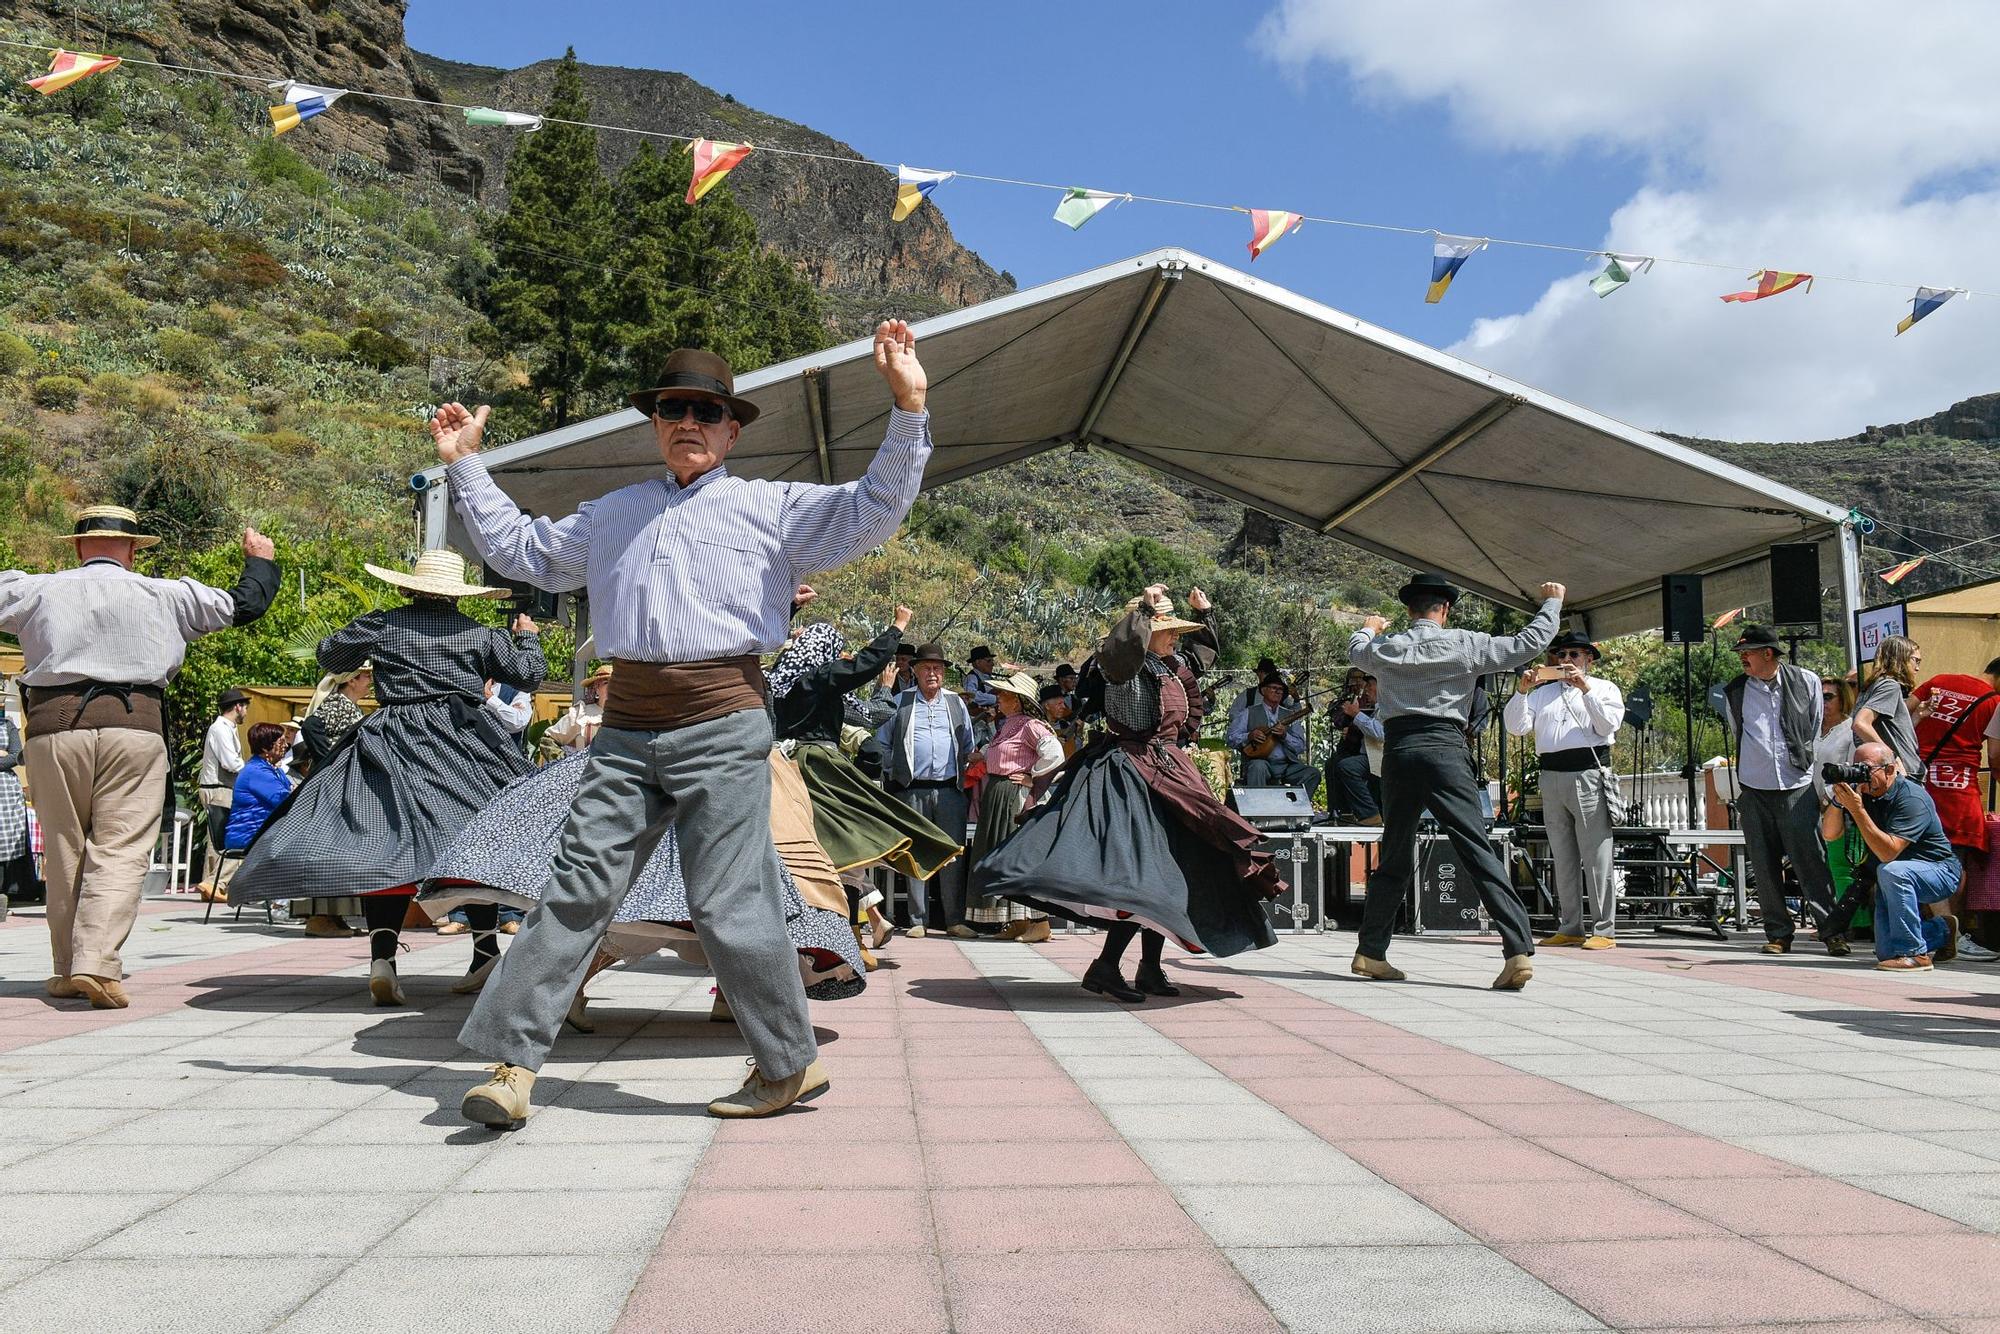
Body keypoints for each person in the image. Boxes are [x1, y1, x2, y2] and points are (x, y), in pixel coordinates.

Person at [436, 326, 932, 1125]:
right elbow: (523, 551)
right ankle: (513, 1067)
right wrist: (465, 463)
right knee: (574, 891)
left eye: (706, 410)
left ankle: (787, 1067)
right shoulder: (612, 515)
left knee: (729, 899)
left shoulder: (771, 507)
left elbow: (872, 507)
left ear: (733, 429)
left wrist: (908, 408)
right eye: (674, 409)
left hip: (725, 717)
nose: (689, 422)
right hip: (627, 727)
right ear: (656, 422)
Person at [225, 551, 544, 1005]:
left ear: (406, 588)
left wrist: (370, 628)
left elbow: (329, 654)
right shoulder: (480, 634)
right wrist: (527, 638)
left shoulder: (385, 625)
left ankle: (383, 960)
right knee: (477, 837)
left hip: (391, 737)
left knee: (381, 840)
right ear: (458, 596)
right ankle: (484, 950)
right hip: (465, 741)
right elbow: (530, 675)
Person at [0, 506, 278, 1007]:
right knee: (121, 848)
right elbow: (246, 604)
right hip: (135, 729)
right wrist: (260, 561)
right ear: (132, 550)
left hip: (52, 730)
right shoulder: (168, 594)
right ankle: (97, 964)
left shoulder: (34, 588)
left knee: (64, 853)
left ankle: (66, 970)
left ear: (78, 547)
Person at [972, 587, 1285, 1002]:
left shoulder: (1171, 666)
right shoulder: (1125, 673)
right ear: (1142, 633)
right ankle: (1106, 966)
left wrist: (1204, 613)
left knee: (1169, 873)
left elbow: (1202, 659)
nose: (1175, 637)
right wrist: (1142, 611)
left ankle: (1149, 969)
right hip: (1130, 776)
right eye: (1167, 629)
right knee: (1140, 878)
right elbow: (1129, 687)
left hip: (1169, 772)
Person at [1349, 573, 1561, 990]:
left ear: (1409, 610)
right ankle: (1516, 950)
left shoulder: (1387, 647)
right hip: (1445, 749)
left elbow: (1356, 650)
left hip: (1399, 751)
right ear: (1444, 609)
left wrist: (1370, 627)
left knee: (1394, 853)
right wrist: (1551, 603)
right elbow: (1526, 645)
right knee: (1474, 847)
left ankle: (1371, 951)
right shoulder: (1466, 642)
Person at [771, 609, 963, 946]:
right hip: (818, 768)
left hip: (782, 771)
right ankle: (848, 935)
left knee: (813, 852)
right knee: (852, 840)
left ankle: (843, 935)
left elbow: (868, 713)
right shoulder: (818, 680)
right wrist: (897, 627)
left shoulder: (782, 683)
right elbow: (866, 669)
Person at [1723, 623, 1841, 955]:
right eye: (1740, 653)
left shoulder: (1806, 680)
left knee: (1812, 861)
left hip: (1796, 784)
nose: (1743, 658)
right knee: (1763, 864)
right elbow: (1739, 730)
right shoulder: (1736, 690)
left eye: (1748, 652)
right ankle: (1778, 933)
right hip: (1755, 787)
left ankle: (1831, 931)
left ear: (1769, 653)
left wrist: (1801, 762)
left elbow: (1815, 723)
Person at [1505, 631, 1625, 948]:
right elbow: (1517, 728)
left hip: (1587, 771)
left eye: (1574, 654)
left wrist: (1584, 688)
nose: (1567, 660)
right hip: (1551, 774)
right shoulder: (1542, 694)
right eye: (1562, 655)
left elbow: (1607, 726)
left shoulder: (1604, 688)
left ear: (1588, 659)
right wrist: (1522, 692)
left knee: (1596, 855)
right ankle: (1571, 925)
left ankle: (1604, 929)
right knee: (1563, 855)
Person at [1822, 742, 1962, 971]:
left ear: (1889, 770)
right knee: (1886, 952)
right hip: (1893, 877)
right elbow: (1829, 834)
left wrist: (1857, 811)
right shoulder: (1863, 793)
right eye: (1856, 767)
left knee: (1891, 870)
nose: (1861, 774)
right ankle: (1943, 930)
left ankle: (1916, 954)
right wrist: (1839, 801)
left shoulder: (1912, 798)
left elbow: (1888, 852)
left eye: (1866, 768)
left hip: (1939, 871)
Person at [878, 641, 977, 937]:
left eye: (937, 668)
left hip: (949, 790)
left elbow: (968, 745)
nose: (932, 673)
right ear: (916, 672)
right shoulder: (900, 702)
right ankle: (917, 921)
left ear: (943, 673)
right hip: (911, 790)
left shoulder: (956, 703)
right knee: (915, 852)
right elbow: (882, 743)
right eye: (926, 669)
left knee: (952, 854)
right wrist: (895, 773)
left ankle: (954, 920)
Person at [965, 671, 1064, 941]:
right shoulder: (1007, 726)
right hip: (998, 795)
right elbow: (997, 752)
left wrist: (1033, 777)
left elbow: (1054, 753)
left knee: (1016, 857)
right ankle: (1017, 922)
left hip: (1014, 797)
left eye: (1004, 694)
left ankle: (1039, 922)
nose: (998, 698)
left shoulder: (1032, 725)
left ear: (1018, 700)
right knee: (1000, 855)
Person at [1912, 665, 2000, 962]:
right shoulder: (1994, 701)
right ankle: (1954, 934)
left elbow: (1903, 715)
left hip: (1921, 780)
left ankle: (1920, 932)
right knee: (1954, 860)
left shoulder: (1939, 680)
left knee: (1916, 856)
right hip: (1959, 789)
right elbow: (1995, 755)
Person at [291, 663, 372, 938]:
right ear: (351, 680)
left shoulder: (345, 704)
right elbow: (312, 727)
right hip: (330, 789)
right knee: (327, 849)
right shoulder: (338, 703)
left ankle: (333, 916)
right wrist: (330, 760)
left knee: (336, 849)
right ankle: (320, 918)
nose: (369, 683)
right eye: (365, 677)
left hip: (339, 787)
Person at [1229, 674, 1320, 796]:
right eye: (1273, 688)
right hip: (1261, 763)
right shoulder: (1249, 712)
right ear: (1263, 690)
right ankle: (1259, 812)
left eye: (1281, 689)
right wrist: (1249, 736)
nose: (1277, 691)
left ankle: (1294, 810)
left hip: (1287, 766)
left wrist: (1285, 736)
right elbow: (1230, 738)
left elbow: (1301, 746)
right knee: (1257, 767)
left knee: (1313, 773)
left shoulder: (1290, 714)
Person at [196, 687, 249, 895]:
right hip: (218, 788)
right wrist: (251, 772)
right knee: (222, 838)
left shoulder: (227, 728)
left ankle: (211, 886)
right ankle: (214, 883)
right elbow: (230, 763)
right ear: (237, 706)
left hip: (222, 787)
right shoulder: (220, 728)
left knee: (215, 839)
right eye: (245, 707)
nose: (245, 712)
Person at [1854, 634, 1925, 779]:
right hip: (1902, 774)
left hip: (1889, 773)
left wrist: (1917, 716)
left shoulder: (1871, 687)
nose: (1917, 668)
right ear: (1900, 658)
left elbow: (1893, 732)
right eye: (1915, 660)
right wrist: (1891, 758)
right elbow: (1860, 724)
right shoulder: (1889, 685)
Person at [223, 722, 295, 854]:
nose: (286, 745)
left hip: (266, 833)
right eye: (281, 742)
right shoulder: (256, 771)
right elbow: (285, 801)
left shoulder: (274, 770)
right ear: (265, 748)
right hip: (249, 834)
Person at [1329, 672, 1385, 824]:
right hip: (1370, 757)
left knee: (1348, 767)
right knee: (1334, 763)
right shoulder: (1375, 708)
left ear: (1382, 686)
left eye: (1369, 685)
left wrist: (1357, 714)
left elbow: (1381, 733)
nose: (1366, 689)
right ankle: (1345, 812)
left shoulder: (1388, 708)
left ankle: (1370, 814)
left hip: (1381, 758)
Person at [0, 690, 35, 916]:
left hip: (6, 791)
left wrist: (3, 759)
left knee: (7, 839)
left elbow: (19, 755)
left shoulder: (8, 725)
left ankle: (6, 892)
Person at [545, 666, 608, 754]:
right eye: (606, 683)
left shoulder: (627, 714)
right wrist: (566, 763)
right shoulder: (580, 713)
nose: (613, 687)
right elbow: (548, 739)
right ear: (596, 688)